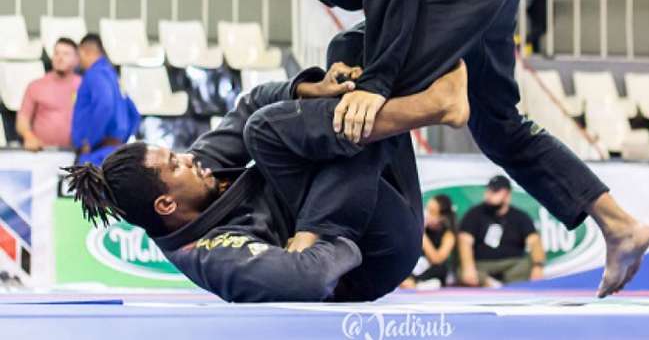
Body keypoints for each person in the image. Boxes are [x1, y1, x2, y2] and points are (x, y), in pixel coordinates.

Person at [184, 0, 649, 297]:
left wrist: (376, 83)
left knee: (356, 91)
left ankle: (323, 234)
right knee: (495, 125)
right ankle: (620, 225)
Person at [65, 37, 471, 302]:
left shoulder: (196, 174)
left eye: (178, 155)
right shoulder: (215, 258)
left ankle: (468, 24)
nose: (188, 158)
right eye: (176, 164)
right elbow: (309, 279)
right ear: (167, 204)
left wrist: (310, 90)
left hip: (371, 188)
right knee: (270, 133)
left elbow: (247, 105)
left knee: (352, 51)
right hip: (375, 254)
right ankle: (431, 106)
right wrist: (316, 233)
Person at [457, 175, 545, 286]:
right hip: (482, 265)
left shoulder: (520, 217)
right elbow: (465, 241)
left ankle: (508, 287)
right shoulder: (474, 214)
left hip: (512, 264)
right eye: (488, 190)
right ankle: (491, 284)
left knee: (525, 265)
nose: (489, 194)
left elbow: (534, 241)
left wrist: (538, 266)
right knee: (462, 272)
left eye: (495, 191)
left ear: (507, 195)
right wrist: (468, 267)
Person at [72, 34, 140, 165]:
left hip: (96, 155)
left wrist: (90, 141)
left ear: (86, 51)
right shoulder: (113, 77)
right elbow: (134, 115)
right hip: (115, 152)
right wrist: (120, 142)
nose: (78, 60)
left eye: (79, 54)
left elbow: (105, 105)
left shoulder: (95, 74)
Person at [16, 37, 81, 150]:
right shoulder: (36, 86)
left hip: (76, 154)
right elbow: (22, 119)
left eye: (66, 54)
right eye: (56, 53)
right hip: (43, 153)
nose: (60, 58)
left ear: (76, 59)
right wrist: (29, 137)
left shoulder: (85, 86)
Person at [402, 194, 457, 289]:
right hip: (416, 266)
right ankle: (411, 281)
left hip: (431, 271)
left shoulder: (448, 235)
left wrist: (422, 233)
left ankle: (416, 282)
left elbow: (436, 259)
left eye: (432, 212)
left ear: (442, 217)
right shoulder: (416, 225)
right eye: (426, 209)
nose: (426, 214)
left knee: (441, 268)